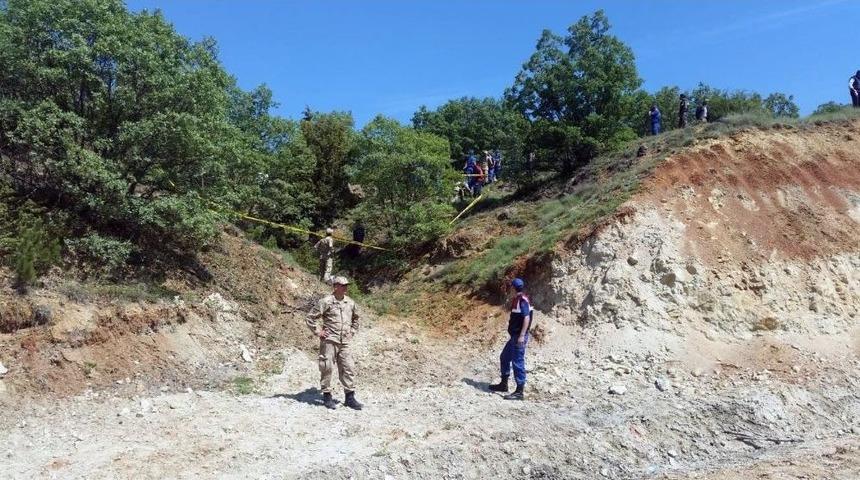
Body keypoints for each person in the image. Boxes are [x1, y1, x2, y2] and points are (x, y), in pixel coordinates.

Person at [306, 276, 363, 410]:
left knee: (348, 367)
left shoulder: (350, 303)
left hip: (345, 341)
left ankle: (350, 397)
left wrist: (352, 331)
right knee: (327, 367)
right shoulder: (326, 302)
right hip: (330, 340)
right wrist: (318, 332)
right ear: (335, 286)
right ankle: (327, 396)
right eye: (343, 285)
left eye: (346, 285)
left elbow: (356, 319)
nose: (345, 288)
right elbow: (310, 317)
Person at [489, 278, 533, 400]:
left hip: (519, 337)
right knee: (504, 357)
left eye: (510, 287)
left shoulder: (522, 300)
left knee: (517, 362)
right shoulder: (519, 299)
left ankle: (519, 392)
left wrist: (522, 335)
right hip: (515, 336)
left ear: (513, 288)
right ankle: (504, 384)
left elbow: (526, 318)